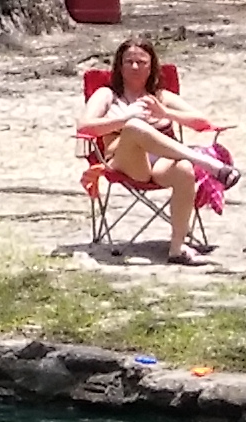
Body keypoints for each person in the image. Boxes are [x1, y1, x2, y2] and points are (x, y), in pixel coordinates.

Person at [82, 36, 231, 264]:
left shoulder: (160, 96)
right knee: (134, 126)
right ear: (119, 66)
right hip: (126, 162)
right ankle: (205, 163)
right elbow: (84, 126)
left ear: (151, 67)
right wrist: (124, 118)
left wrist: (165, 113)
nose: (134, 67)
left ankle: (177, 249)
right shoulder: (107, 95)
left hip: (161, 162)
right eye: (128, 61)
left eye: (141, 62)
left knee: (183, 170)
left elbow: (201, 121)